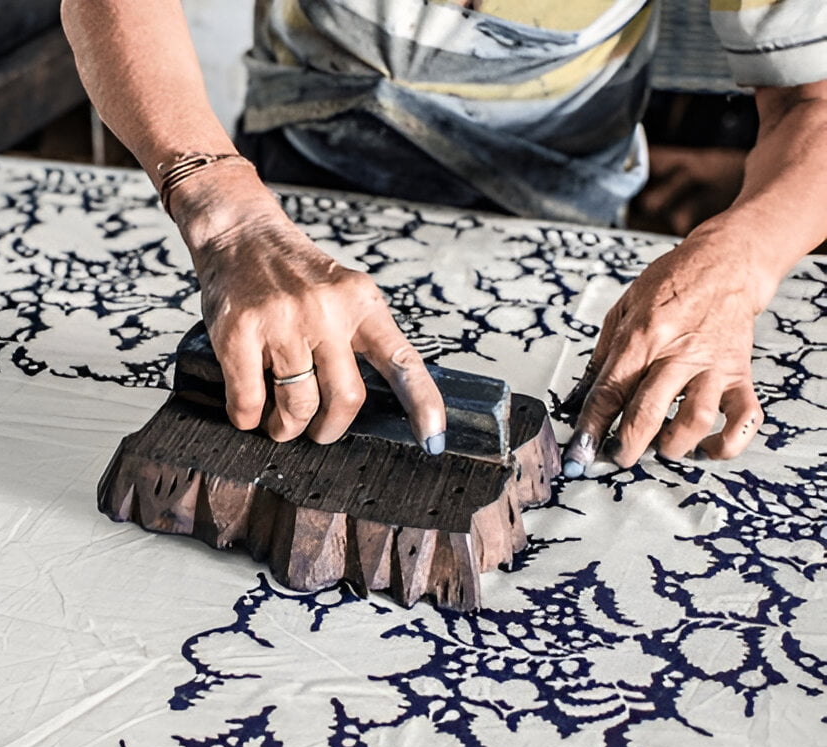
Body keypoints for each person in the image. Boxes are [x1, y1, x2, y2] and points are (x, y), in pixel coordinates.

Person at [60, 0, 827, 477]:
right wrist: (227, 214)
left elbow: (814, 98)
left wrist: (742, 260)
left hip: (557, 231)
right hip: (287, 196)